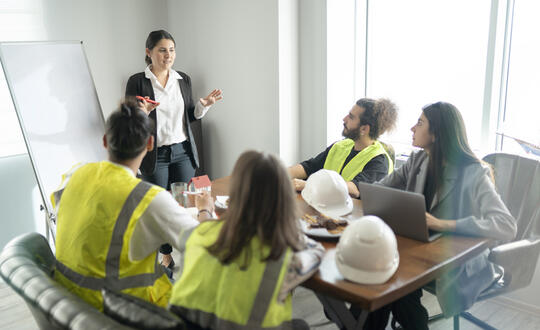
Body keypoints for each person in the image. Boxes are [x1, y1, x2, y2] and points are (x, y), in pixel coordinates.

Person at [356, 102, 517, 329]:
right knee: (385, 277)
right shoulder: (417, 160)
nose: (412, 128)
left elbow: (506, 225)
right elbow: (379, 190)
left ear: (437, 133)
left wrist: (443, 224)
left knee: (394, 283)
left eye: (420, 123)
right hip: (420, 251)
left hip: (458, 262)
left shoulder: (474, 173)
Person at [51, 99, 214, 310]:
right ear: (150, 144)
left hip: (72, 303)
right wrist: (204, 209)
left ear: (104, 141)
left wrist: (138, 115)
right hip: (122, 312)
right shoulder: (149, 198)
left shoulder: (75, 174)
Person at [168, 151, 325, 330]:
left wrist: (204, 211)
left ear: (235, 193)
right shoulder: (286, 256)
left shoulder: (197, 234)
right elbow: (317, 253)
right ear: (284, 199)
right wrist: (289, 227)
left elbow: (207, 229)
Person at [125, 29, 222, 270]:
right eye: (162, 50)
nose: (168, 55)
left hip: (183, 152)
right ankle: (165, 253)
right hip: (154, 155)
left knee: (186, 205)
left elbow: (190, 116)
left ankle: (191, 251)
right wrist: (142, 113)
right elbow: (129, 120)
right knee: (159, 208)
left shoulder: (183, 79)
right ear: (149, 53)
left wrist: (203, 105)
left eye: (171, 50)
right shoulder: (137, 81)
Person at [289, 98, 397, 198]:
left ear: (364, 129)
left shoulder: (379, 161)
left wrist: (308, 185)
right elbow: (309, 167)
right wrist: (279, 174)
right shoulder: (340, 146)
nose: (344, 119)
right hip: (327, 208)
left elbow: (354, 189)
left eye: (351, 117)